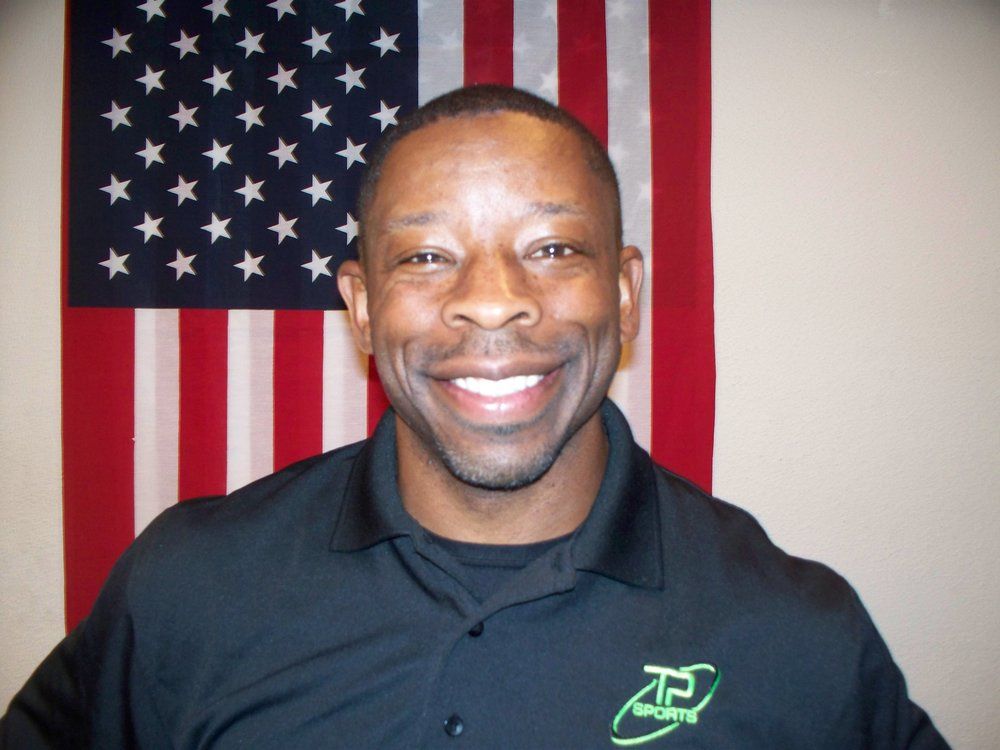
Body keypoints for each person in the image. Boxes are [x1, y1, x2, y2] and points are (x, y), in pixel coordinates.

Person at [1, 85, 949, 749]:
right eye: (423, 259)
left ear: (625, 296)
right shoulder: (185, 588)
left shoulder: (796, 635)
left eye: (550, 247)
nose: (492, 303)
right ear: (363, 308)